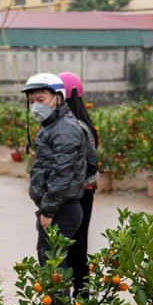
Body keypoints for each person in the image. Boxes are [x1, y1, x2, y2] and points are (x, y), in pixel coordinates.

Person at [23, 72, 93, 268]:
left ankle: (60, 300)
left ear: (58, 98)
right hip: (57, 208)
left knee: (53, 271)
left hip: (61, 209)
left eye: (40, 99)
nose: (35, 105)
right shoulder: (52, 126)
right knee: (52, 268)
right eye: (31, 101)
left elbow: (63, 173)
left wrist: (48, 211)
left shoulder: (64, 130)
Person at [57, 71, 99, 295]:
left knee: (74, 246)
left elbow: (87, 165)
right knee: (77, 244)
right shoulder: (82, 123)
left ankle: (82, 296)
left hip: (78, 193)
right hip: (84, 192)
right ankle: (82, 296)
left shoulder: (74, 127)